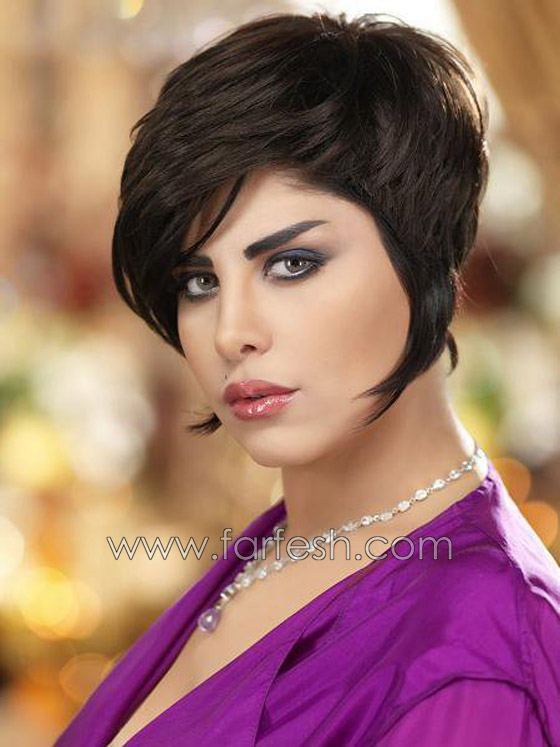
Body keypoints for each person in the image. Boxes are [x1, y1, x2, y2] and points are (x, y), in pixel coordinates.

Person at [55, 11, 560, 746]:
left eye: (292, 264)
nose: (230, 331)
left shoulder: (472, 657)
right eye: (199, 281)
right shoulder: (287, 543)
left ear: (426, 250)